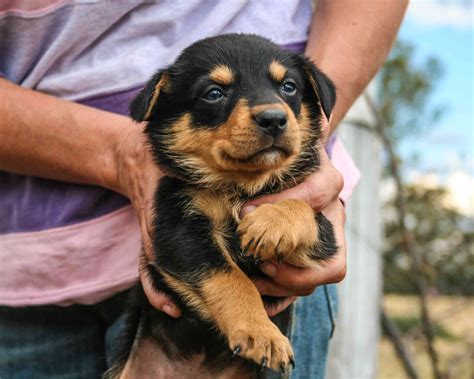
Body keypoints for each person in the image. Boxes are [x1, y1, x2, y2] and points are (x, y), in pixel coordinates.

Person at [0, 1, 407, 378]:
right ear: (160, 110)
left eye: (287, 89)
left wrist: (297, 207)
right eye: (215, 94)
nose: (270, 111)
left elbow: (312, 242)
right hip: (24, 276)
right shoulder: (186, 193)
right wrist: (120, 153)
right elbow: (188, 244)